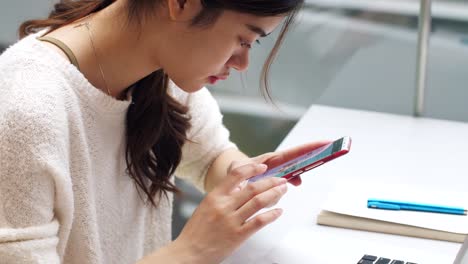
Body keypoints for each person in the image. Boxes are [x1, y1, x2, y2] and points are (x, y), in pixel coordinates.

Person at [0, 0, 330, 263]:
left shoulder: (161, 66)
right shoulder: (26, 108)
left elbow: (210, 156)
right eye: (244, 38)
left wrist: (249, 176)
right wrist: (192, 251)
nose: (243, 63)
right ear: (182, 3)